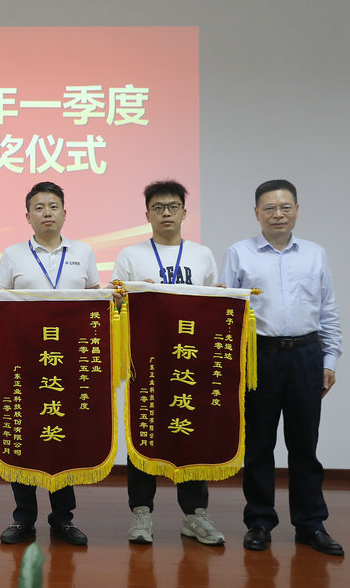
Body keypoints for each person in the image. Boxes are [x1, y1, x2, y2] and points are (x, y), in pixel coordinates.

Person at [221, 179, 343, 556]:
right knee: (259, 445)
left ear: (297, 210)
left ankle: (310, 524)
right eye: (270, 208)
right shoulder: (239, 253)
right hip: (259, 356)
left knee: (304, 445)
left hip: (307, 354)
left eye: (285, 207)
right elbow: (227, 313)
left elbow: (328, 310)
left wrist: (330, 359)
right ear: (257, 213)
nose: (278, 214)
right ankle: (259, 522)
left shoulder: (315, 254)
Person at [111, 180, 225, 546]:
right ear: (147, 214)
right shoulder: (130, 256)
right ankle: (141, 511)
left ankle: (195, 513)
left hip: (190, 361)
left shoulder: (202, 255)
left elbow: (212, 304)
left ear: (184, 213)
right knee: (143, 430)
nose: (166, 213)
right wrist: (130, 294)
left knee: (191, 430)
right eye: (158, 207)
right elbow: (114, 305)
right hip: (146, 362)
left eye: (173, 206)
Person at [0, 181, 99, 546]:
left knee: (64, 437)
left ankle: (63, 519)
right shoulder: (13, 254)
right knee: (23, 435)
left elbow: (94, 304)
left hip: (69, 365)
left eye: (53, 206)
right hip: (25, 365)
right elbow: (0, 305)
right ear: (28, 216)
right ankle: (23, 519)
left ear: (65, 213)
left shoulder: (83, 252)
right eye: (39, 207)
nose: (47, 212)